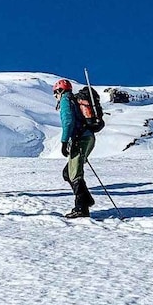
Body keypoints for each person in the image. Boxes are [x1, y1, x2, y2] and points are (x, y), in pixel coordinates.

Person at [54, 79, 96, 218]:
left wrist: (64, 142)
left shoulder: (66, 100)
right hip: (88, 138)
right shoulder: (74, 100)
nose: (55, 96)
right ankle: (86, 200)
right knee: (68, 173)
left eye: (55, 93)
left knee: (74, 173)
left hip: (80, 139)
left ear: (60, 90)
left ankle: (81, 208)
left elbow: (68, 121)